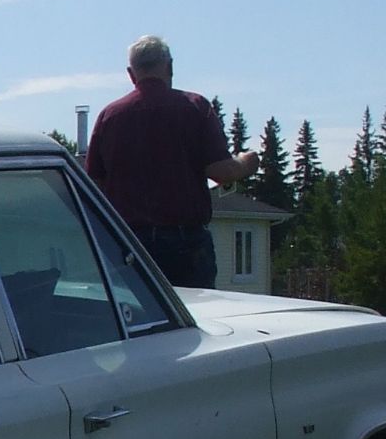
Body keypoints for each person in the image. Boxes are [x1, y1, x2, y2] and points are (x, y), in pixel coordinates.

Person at [84, 34, 259, 288]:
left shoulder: (109, 116)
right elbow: (221, 171)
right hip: (185, 243)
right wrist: (246, 163)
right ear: (170, 66)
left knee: (138, 320)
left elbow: (94, 182)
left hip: (128, 243)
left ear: (131, 74)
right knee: (194, 316)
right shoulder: (194, 107)